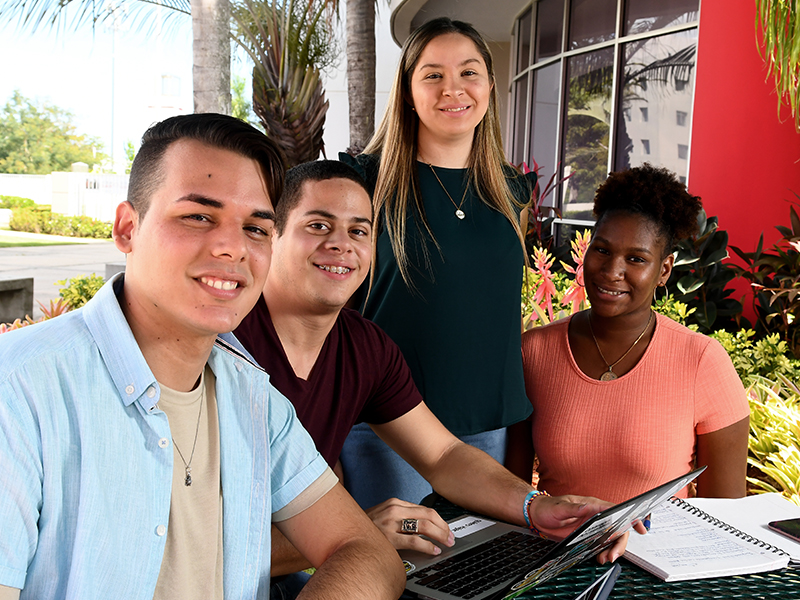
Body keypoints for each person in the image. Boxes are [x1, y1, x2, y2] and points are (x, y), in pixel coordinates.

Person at [0, 114, 405, 600]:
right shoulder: (21, 389)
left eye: (256, 228)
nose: (233, 247)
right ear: (128, 229)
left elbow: (365, 550)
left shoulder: (251, 395)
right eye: (198, 216)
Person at [234, 160, 637, 594]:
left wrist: (536, 506)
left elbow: (443, 456)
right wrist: (355, 533)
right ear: (271, 233)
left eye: (359, 231)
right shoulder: (227, 341)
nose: (341, 245)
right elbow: (187, 534)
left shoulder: (364, 346)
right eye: (318, 225)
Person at [338, 16, 536, 508]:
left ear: (490, 84)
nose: (454, 89)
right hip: (389, 430)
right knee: (396, 571)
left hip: (489, 427)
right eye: (433, 75)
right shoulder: (365, 182)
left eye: (469, 73)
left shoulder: (512, 191)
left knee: (471, 573)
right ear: (407, 90)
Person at [506, 164, 750, 504]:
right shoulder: (533, 352)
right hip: (554, 554)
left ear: (664, 270)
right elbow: (512, 496)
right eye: (602, 250)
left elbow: (724, 515)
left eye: (636, 259)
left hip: (661, 557)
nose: (611, 271)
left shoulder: (702, 362)